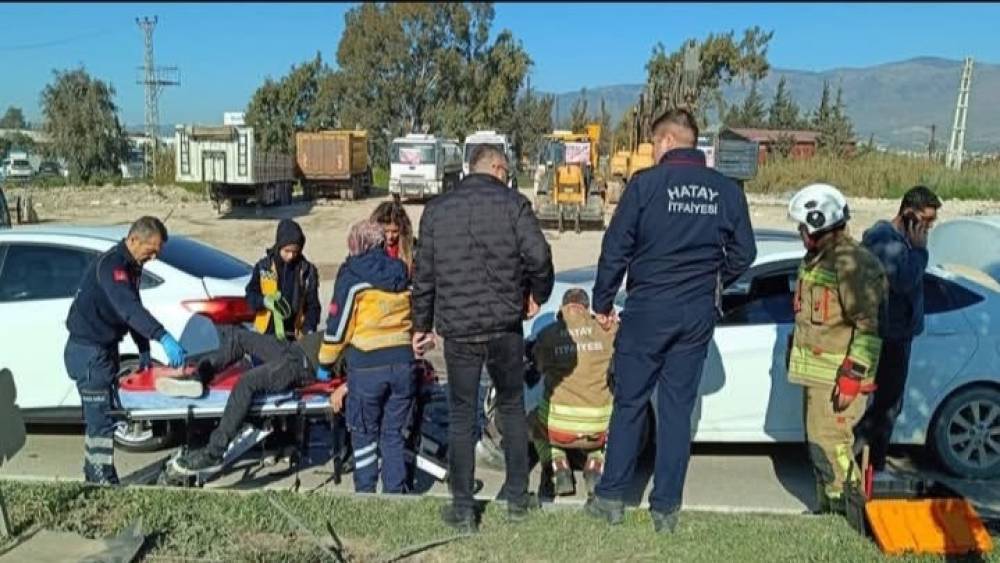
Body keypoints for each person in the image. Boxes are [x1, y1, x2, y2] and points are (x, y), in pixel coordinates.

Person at [587, 109, 757, 533]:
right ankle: (665, 509)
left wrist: (603, 301)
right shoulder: (725, 189)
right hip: (696, 313)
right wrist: (715, 280)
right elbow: (746, 252)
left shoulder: (645, 185)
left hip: (648, 309)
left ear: (665, 141)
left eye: (652, 144)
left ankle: (611, 497)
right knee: (677, 411)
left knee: (630, 402)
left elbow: (616, 248)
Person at [174, 221, 414, 492]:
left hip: (301, 365)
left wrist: (339, 381)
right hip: (294, 347)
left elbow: (352, 356)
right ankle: (200, 375)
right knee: (238, 337)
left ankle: (214, 451)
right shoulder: (385, 298)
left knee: (247, 382)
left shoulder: (350, 297)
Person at [412, 144, 554, 531]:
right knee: (511, 408)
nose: (507, 177)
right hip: (504, 325)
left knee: (462, 415)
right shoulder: (513, 204)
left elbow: (424, 274)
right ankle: (517, 498)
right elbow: (539, 257)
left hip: (458, 329)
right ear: (495, 167)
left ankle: (462, 508)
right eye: (506, 171)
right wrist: (536, 295)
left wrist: (421, 324)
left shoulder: (437, 210)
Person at [786, 183, 887, 514]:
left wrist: (852, 377)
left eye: (803, 227)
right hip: (819, 379)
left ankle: (850, 511)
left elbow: (869, 327)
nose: (800, 233)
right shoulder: (819, 260)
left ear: (819, 223)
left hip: (838, 380)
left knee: (832, 445)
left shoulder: (852, 264)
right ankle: (828, 509)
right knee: (820, 446)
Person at [64, 216, 187, 484]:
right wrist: (162, 336)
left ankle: (94, 473)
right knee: (100, 420)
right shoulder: (113, 267)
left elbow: (133, 307)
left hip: (103, 350)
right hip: (89, 352)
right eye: (151, 250)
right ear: (134, 240)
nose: (153, 257)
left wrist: (143, 348)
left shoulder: (131, 266)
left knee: (104, 416)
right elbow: (128, 309)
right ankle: (101, 479)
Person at [856, 186, 941, 475]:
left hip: (898, 335)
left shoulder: (902, 243)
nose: (928, 228)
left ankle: (871, 465)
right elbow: (903, 281)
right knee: (882, 408)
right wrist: (920, 250)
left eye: (932, 221)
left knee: (889, 406)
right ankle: (867, 466)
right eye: (925, 221)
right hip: (886, 336)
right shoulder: (885, 240)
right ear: (908, 214)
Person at [530, 288, 616, 498]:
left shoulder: (547, 335)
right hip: (598, 427)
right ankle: (595, 464)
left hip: (559, 428)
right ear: (587, 308)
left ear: (562, 308)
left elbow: (536, 368)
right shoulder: (606, 331)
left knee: (534, 421)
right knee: (613, 429)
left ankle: (557, 464)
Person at [245, 219, 321, 341]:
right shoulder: (263, 267)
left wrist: (307, 330)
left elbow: (313, 307)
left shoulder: (307, 272)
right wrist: (264, 301)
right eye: (287, 251)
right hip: (265, 336)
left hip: (293, 337)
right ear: (279, 246)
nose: (291, 256)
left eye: (295, 252)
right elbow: (250, 296)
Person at [371, 195, 416, 275]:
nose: (390, 237)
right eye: (385, 231)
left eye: (395, 231)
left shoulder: (414, 248)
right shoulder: (369, 248)